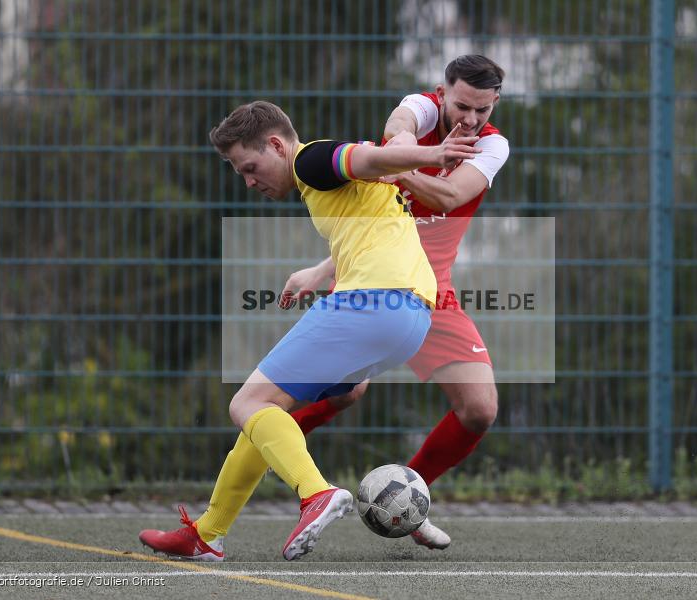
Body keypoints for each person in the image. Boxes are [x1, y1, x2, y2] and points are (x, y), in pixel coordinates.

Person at [139, 100, 481, 561]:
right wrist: (321, 270)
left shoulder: (308, 159)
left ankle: (315, 492)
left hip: (373, 303)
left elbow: (368, 157)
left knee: (247, 403)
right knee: (266, 413)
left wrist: (432, 154)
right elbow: (373, 216)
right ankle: (207, 532)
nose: (249, 181)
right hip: (411, 318)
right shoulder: (323, 183)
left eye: (251, 166)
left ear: (277, 145)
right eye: (241, 173)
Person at [283, 55, 509, 550]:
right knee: (345, 392)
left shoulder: (493, 145)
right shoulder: (418, 109)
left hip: (434, 293)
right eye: (462, 106)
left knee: (479, 409)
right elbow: (399, 130)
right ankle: (265, 449)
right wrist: (401, 153)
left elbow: (449, 197)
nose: (471, 119)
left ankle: (405, 496)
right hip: (375, 281)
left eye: (482, 110)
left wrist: (395, 170)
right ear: (441, 92)